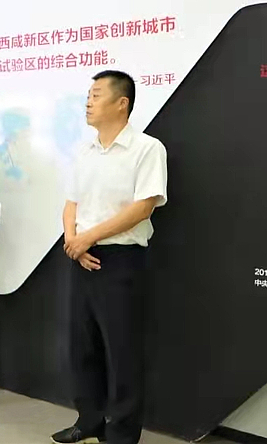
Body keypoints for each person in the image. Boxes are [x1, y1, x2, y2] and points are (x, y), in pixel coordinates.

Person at [52, 71, 167, 444]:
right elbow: (71, 203)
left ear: (122, 103)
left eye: (96, 94)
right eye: (88, 94)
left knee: (122, 353)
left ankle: (121, 434)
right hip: (81, 256)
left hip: (121, 260)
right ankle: (89, 420)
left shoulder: (147, 148)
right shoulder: (84, 150)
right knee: (83, 347)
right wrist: (74, 240)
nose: (88, 101)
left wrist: (89, 237)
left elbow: (143, 207)